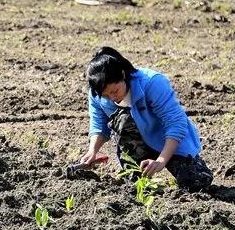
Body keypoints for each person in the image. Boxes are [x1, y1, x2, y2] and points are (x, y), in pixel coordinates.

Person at [80, 47, 213, 192]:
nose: (112, 98)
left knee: (196, 183)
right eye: (106, 96)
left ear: (123, 75)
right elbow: (99, 123)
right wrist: (92, 151)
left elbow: (175, 123)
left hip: (167, 140)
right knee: (135, 189)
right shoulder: (97, 94)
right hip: (135, 144)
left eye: (114, 91)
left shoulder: (152, 83)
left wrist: (161, 161)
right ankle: (135, 173)